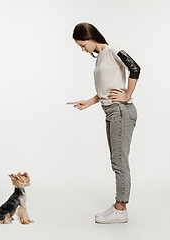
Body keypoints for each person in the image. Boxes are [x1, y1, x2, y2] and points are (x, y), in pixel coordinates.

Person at [67, 22, 141, 224]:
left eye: (83, 45)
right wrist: (89, 102)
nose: (83, 50)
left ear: (91, 38)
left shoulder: (112, 50)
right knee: (116, 160)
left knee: (119, 162)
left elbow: (135, 68)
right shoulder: (100, 57)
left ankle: (121, 210)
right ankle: (119, 206)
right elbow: (107, 89)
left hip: (121, 111)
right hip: (111, 111)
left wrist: (127, 95)